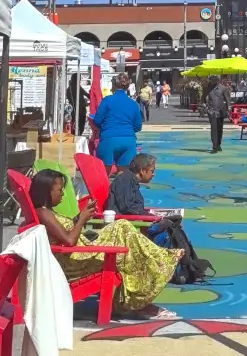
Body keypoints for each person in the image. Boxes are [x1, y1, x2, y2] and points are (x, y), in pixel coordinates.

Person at [30, 168, 181, 319]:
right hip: (73, 262)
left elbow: (64, 233)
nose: (62, 193)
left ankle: (140, 296)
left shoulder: (47, 212)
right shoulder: (43, 213)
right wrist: (81, 220)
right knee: (123, 233)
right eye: (59, 189)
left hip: (78, 252)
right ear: (46, 191)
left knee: (123, 231)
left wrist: (80, 218)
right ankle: (142, 297)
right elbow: (69, 241)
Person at [92, 73, 142, 173]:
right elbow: (138, 126)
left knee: (103, 175)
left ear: (114, 85)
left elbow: (97, 121)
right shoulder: (133, 104)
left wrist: (103, 128)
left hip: (109, 138)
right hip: (128, 140)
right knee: (123, 176)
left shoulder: (107, 100)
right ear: (127, 86)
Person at [206, 75, 231, 153]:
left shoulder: (223, 88)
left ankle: (218, 144)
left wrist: (229, 108)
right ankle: (214, 146)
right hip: (212, 111)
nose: (212, 81)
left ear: (217, 80)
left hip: (221, 111)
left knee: (219, 129)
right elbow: (203, 99)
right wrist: (206, 108)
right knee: (214, 129)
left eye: (214, 80)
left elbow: (227, 100)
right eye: (211, 80)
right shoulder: (208, 89)